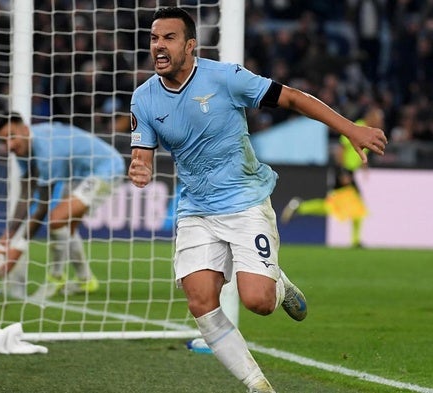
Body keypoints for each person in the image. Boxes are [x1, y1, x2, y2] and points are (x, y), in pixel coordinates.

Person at [128, 8, 387, 393]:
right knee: (200, 301)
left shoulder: (226, 78)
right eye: (154, 39)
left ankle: (277, 283)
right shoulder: (144, 98)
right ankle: (256, 383)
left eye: (168, 38)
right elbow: (142, 155)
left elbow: (294, 99)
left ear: (190, 45)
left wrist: (350, 129)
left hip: (245, 200)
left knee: (259, 302)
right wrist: (140, 169)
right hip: (196, 208)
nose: (158, 47)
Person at [0, 111, 125, 296]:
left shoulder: (46, 151)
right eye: (4, 141)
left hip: (106, 168)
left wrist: (17, 249)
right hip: (79, 176)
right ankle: (85, 280)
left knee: (56, 219)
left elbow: (42, 207)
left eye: (12, 137)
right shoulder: (24, 148)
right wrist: (8, 235)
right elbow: (26, 194)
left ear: (25, 129)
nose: (9, 145)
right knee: (66, 227)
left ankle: (56, 277)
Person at [280, 106, 385, 248]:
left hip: (349, 173)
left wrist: (363, 166)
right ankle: (300, 207)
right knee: (342, 207)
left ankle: (300, 207)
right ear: (371, 116)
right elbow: (340, 150)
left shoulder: (367, 130)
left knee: (350, 207)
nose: (381, 122)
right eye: (379, 119)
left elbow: (358, 153)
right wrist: (342, 172)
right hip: (343, 173)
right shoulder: (357, 127)